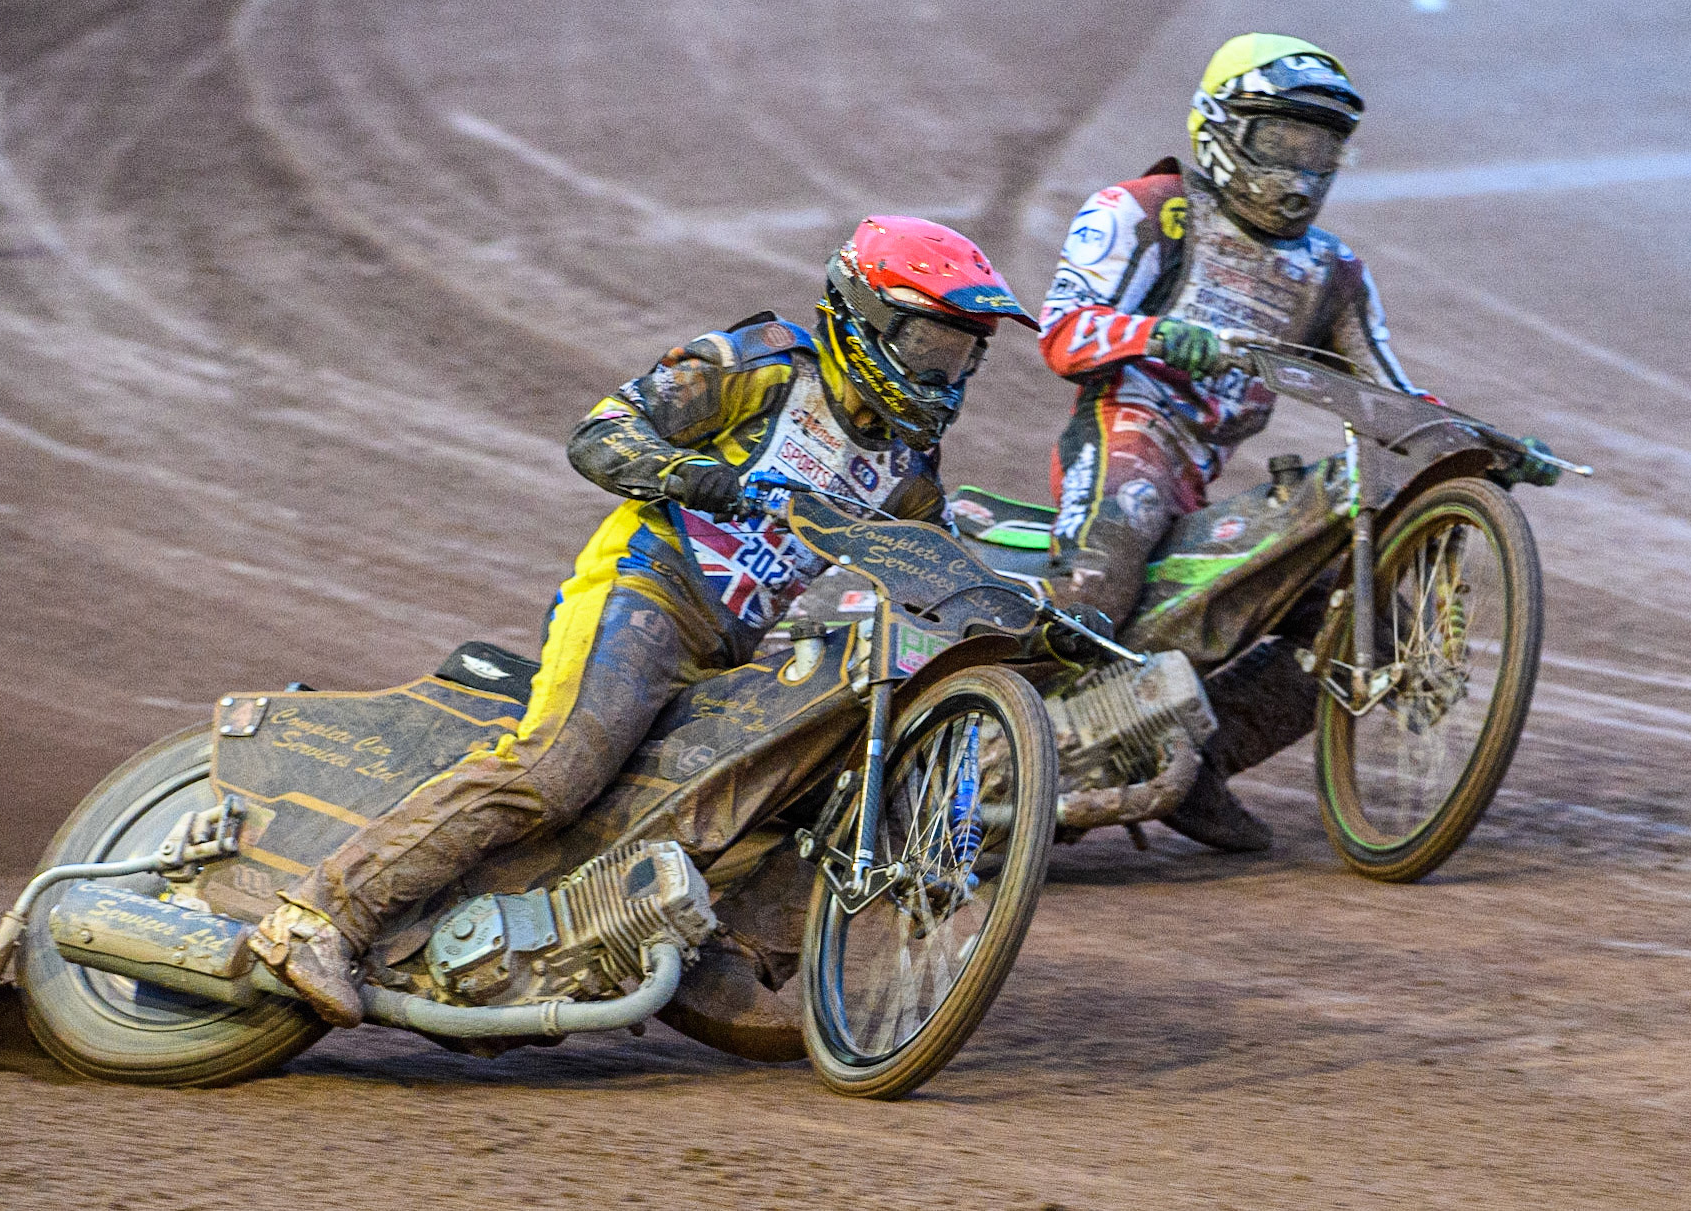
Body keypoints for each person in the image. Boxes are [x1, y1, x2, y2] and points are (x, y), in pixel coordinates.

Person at [248, 216, 1038, 1028]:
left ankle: (731, 958)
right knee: (556, 770)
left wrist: (1034, 617)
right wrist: (697, 476)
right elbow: (602, 432)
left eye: (961, 356)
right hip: (644, 589)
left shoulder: (909, 469)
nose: (943, 373)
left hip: (732, 649)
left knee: (825, 788)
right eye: (929, 345)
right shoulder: (763, 367)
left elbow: (932, 569)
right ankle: (318, 917)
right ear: (866, 317)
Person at [1035, 34, 1415, 853]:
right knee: (1107, 565)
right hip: (1128, 431)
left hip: (1201, 480)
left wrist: (1479, 446)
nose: (1300, 173)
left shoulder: (1332, 271)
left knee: (1367, 616)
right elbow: (1062, 332)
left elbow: (1390, 399)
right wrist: (1158, 335)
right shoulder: (1145, 209)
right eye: (1280, 141)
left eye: (1319, 151)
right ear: (1218, 129)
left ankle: (1201, 763)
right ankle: (996, 749)